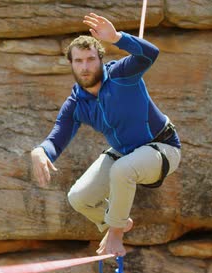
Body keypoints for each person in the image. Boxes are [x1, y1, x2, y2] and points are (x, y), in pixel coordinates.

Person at [30, 13, 181, 256]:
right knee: (79, 198)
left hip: (162, 148)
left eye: (91, 59)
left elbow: (150, 53)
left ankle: (116, 233)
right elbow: (57, 138)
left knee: (122, 170)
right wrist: (40, 150)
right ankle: (118, 221)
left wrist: (117, 38)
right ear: (71, 64)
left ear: (101, 60)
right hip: (124, 153)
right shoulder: (76, 103)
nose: (85, 66)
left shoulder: (123, 74)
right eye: (78, 61)